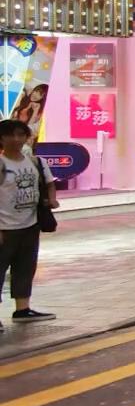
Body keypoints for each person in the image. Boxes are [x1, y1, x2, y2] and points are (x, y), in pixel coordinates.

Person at [0, 119, 55, 326]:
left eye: (20, 135)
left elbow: (48, 183)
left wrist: (51, 199)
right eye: (10, 135)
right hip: (5, 228)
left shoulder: (33, 161)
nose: (16, 139)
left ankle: (22, 309)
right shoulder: (2, 164)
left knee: (25, 268)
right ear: (1, 139)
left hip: (30, 225)